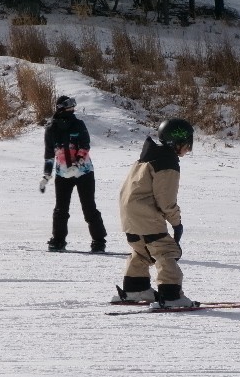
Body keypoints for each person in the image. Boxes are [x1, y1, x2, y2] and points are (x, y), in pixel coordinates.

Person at [111, 118, 195, 308]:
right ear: (178, 142)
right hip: (145, 213)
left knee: (142, 251)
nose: (188, 150)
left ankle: (135, 289)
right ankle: (171, 296)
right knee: (166, 251)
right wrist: (176, 223)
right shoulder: (166, 162)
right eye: (188, 144)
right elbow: (166, 200)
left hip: (129, 214)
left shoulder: (146, 157)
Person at [40, 95, 107, 253]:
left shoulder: (78, 124)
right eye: (69, 107)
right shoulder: (51, 129)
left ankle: (99, 241)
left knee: (89, 208)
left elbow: (85, 146)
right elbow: (49, 155)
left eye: (73, 107)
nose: (72, 109)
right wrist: (46, 175)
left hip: (84, 172)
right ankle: (58, 240)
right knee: (60, 209)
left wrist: (78, 164)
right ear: (61, 109)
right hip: (63, 174)